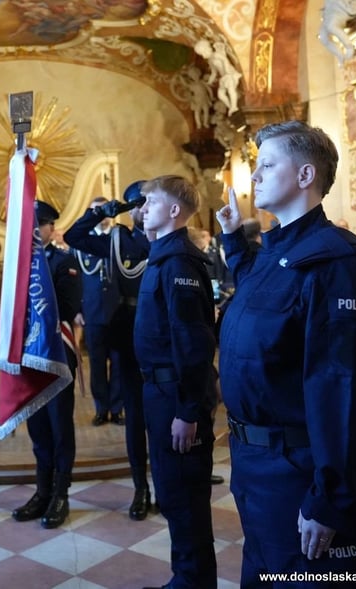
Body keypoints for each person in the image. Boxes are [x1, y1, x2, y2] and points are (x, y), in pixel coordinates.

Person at [215, 120, 356, 587]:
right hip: (258, 468)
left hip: (301, 469)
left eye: (268, 165)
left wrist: (330, 497)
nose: (255, 176)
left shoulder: (339, 263)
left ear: (306, 175)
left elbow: (344, 391)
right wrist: (233, 238)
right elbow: (265, 298)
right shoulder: (277, 252)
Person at [136, 176, 218, 589]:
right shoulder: (163, 255)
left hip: (175, 395)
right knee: (172, 493)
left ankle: (193, 582)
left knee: (184, 497)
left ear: (173, 211)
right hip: (161, 391)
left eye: (150, 202)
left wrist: (187, 411)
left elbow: (193, 343)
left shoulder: (179, 263)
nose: (142, 209)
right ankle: (184, 579)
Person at [63, 181, 153, 520]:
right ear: (130, 210)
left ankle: (168, 482)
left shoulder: (171, 240)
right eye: (138, 204)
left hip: (165, 335)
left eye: (150, 202)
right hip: (129, 333)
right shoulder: (119, 240)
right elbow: (73, 236)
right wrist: (100, 212)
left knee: (167, 417)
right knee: (136, 417)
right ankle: (141, 487)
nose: (145, 209)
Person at [11, 200, 82, 529]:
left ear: (51, 228)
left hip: (56, 353)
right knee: (38, 428)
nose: (36, 230)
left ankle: (61, 493)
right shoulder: (18, 262)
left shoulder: (63, 260)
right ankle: (42, 491)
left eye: (41, 224)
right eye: (31, 224)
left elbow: (68, 308)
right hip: (28, 355)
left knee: (59, 426)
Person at [72, 196, 123, 427]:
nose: (101, 215)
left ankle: (117, 408)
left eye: (104, 210)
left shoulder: (119, 238)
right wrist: (77, 310)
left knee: (119, 363)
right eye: (96, 211)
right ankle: (101, 408)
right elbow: (74, 281)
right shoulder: (81, 244)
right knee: (97, 364)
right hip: (92, 313)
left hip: (119, 312)